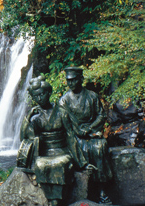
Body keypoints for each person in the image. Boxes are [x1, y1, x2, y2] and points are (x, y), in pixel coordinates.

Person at [19, 75, 89, 206]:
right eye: (35, 97)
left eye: (41, 94)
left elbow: (70, 136)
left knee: (59, 165)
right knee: (41, 165)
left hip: (61, 150)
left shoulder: (62, 112)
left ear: (48, 92)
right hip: (44, 152)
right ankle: (52, 199)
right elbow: (24, 138)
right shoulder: (35, 117)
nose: (39, 99)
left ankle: (57, 200)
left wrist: (82, 162)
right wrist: (27, 118)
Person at [59, 67, 113, 203]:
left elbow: (101, 115)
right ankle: (81, 191)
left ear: (80, 80)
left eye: (73, 80)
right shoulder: (64, 101)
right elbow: (64, 122)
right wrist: (77, 131)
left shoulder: (92, 96)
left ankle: (102, 191)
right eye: (68, 81)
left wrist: (90, 128)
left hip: (91, 132)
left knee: (99, 148)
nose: (70, 83)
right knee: (78, 147)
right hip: (74, 135)